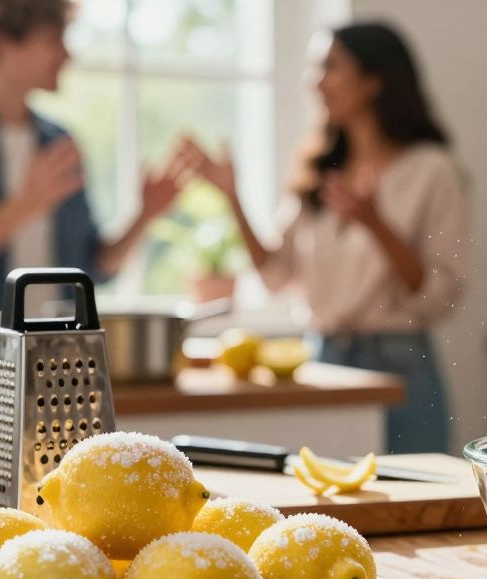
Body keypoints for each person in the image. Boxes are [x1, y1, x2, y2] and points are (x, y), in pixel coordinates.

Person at [181, 22, 469, 454]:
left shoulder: (433, 171)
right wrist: (232, 198)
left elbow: (439, 294)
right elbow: (277, 274)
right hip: (324, 360)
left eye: (330, 67)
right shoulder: (318, 169)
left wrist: (375, 224)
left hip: (401, 365)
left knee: (415, 505)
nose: (314, 81)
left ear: (373, 82)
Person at [0, 0, 190, 359]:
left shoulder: (58, 143)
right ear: (2, 42)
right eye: (53, 40)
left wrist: (145, 215)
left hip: (57, 364)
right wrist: (24, 206)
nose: (67, 55)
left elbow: (92, 269)